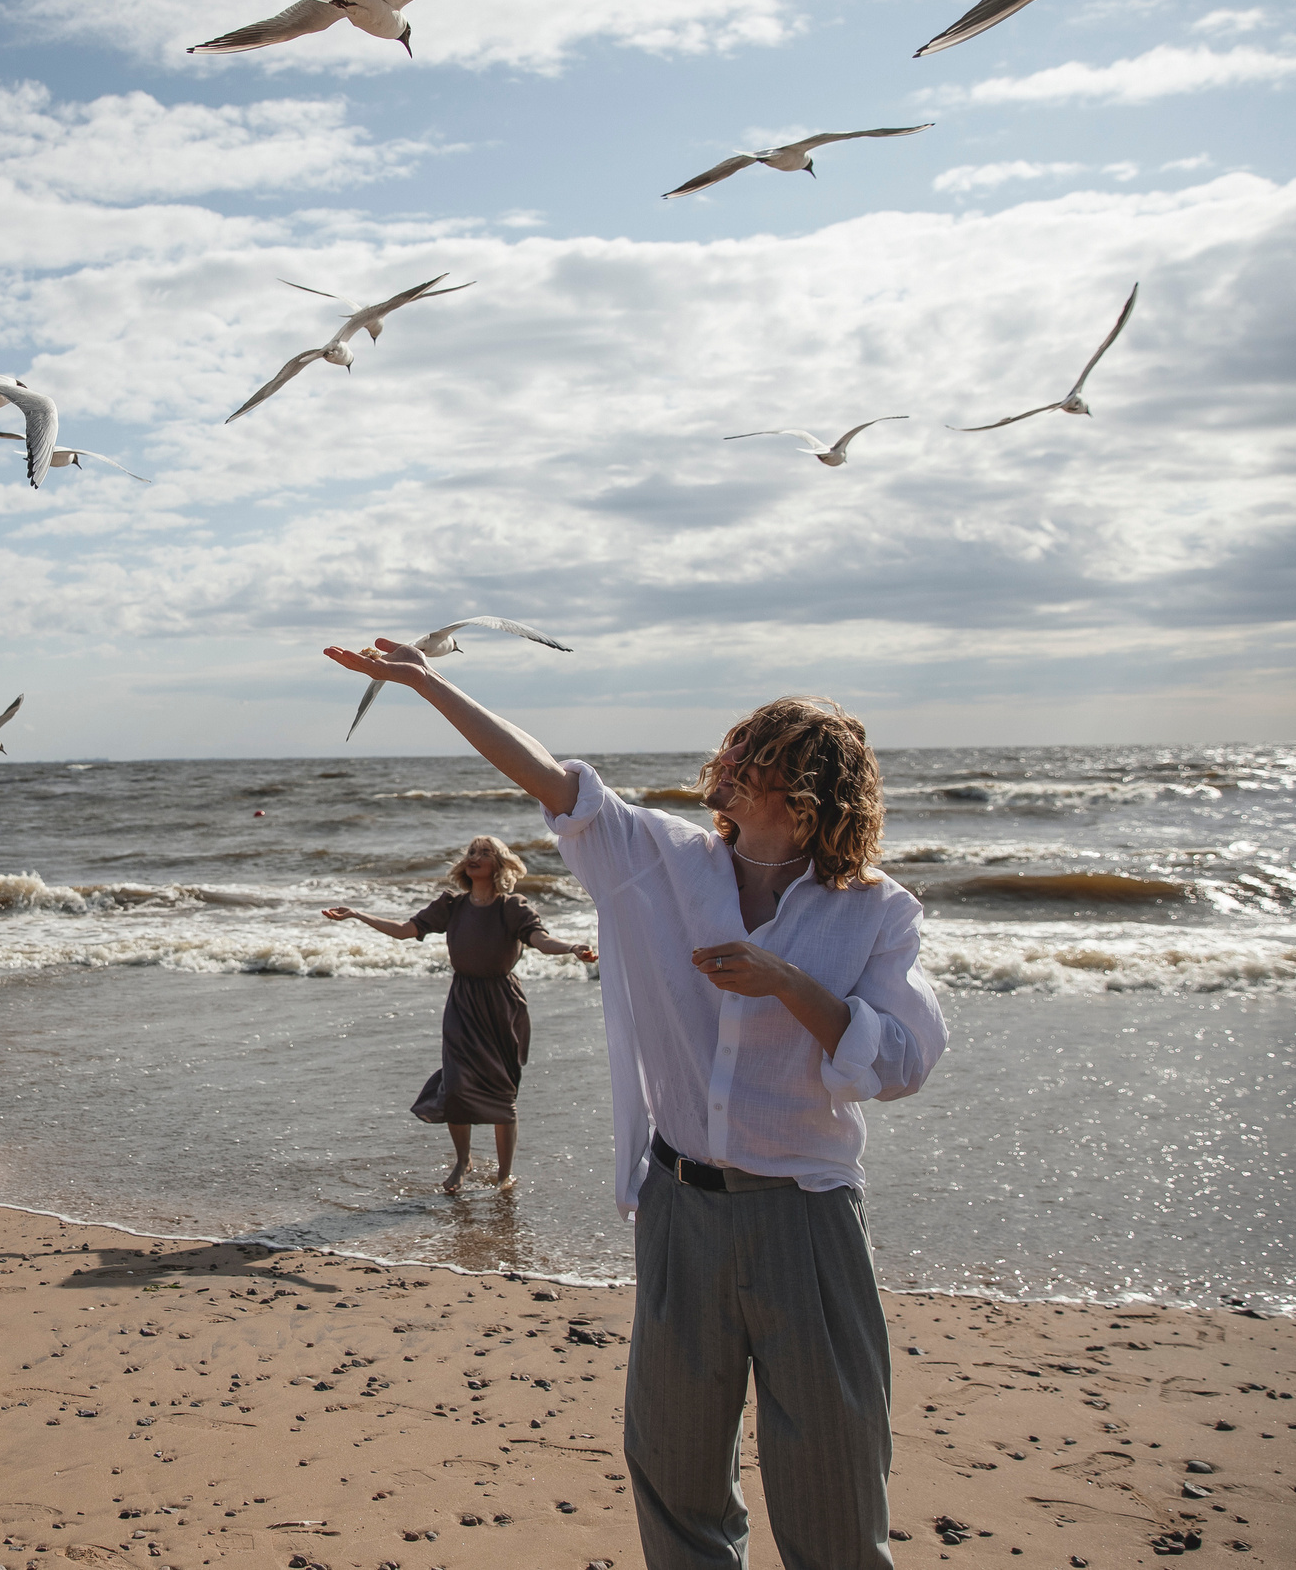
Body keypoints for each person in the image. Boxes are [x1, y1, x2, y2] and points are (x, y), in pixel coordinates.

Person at [324, 637, 947, 1570]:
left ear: (806, 788)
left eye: (754, 755)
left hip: (806, 1220)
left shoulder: (876, 911)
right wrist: (423, 681)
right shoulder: (659, 861)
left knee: (834, 1492)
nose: (727, 764)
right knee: (676, 1483)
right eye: (734, 747)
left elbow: (903, 1058)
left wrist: (787, 982)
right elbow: (550, 776)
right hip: (680, 1208)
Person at [323, 835, 593, 1194]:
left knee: (502, 1091)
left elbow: (541, 941)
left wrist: (572, 947)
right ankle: (463, 1160)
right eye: (471, 852)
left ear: (499, 865)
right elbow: (405, 931)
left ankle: (503, 1174)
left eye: (485, 853)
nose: (475, 857)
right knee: (455, 1086)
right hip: (462, 1002)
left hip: (501, 1005)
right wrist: (358, 914)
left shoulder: (512, 907)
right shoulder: (452, 904)